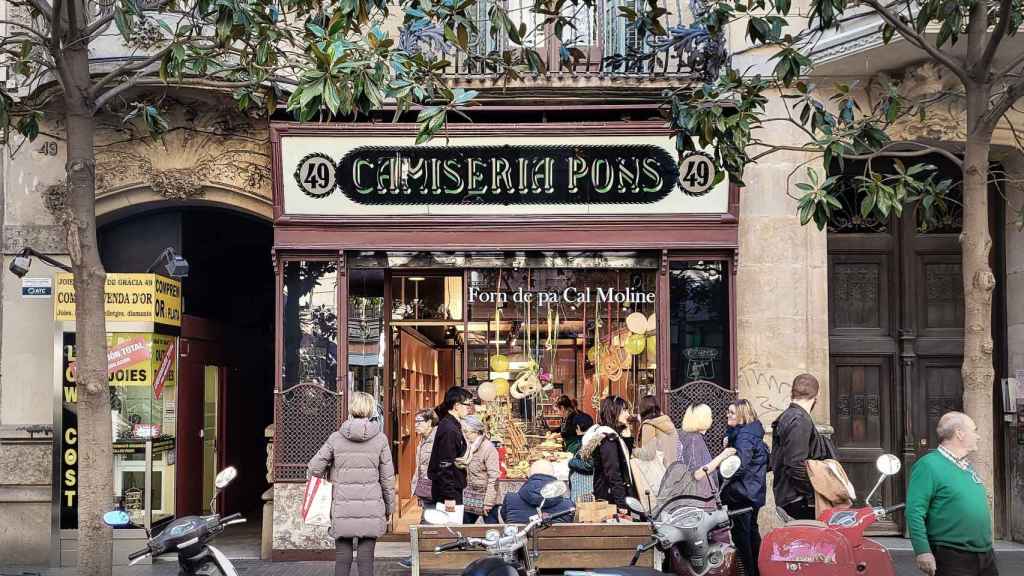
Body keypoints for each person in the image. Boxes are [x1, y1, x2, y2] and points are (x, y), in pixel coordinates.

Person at [308, 391, 395, 576]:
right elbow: (388, 479)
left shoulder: (336, 438)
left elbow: (314, 468)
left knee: (342, 556)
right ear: (371, 410)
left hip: (342, 505)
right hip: (371, 506)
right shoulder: (380, 439)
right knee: (366, 558)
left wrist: (331, 471)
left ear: (351, 409)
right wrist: (389, 508)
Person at [907, 412, 997, 576]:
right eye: (974, 430)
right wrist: (922, 550)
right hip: (952, 555)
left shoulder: (966, 466)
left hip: (984, 554)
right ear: (959, 433)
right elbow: (914, 511)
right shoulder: (928, 465)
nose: (978, 436)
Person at [721, 399, 769, 576]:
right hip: (752, 492)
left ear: (742, 415)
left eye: (732, 412)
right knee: (751, 534)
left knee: (742, 538)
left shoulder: (744, 437)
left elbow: (738, 465)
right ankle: (758, 570)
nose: (728, 415)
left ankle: (750, 572)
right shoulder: (750, 434)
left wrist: (721, 475)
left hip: (741, 494)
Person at [770, 373, 820, 521]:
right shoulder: (799, 419)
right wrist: (813, 493)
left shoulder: (789, 416)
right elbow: (795, 465)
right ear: (817, 395)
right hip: (798, 499)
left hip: (791, 496)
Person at [580, 395, 635, 511]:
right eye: (624, 410)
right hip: (610, 499)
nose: (628, 414)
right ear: (614, 411)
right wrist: (621, 504)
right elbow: (613, 473)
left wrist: (628, 436)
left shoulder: (612, 436)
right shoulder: (608, 439)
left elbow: (624, 460)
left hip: (609, 496)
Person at [678, 403, 736, 502]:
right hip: (699, 498)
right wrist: (722, 456)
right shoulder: (693, 439)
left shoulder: (685, 435)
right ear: (702, 419)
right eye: (709, 416)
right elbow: (697, 474)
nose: (711, 419)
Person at [428, 387, 474, 510]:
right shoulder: (449, 429)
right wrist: (449, 496)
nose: (469, 408)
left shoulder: (452, 424)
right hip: (448, 492)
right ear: (456, 405)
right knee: (449, 526)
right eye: (467, 404)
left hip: (452, 487)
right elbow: (445, 464)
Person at [502, 460, 575, 524]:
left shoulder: (510, 499)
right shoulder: (568, 505)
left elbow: (504, 518)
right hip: (557, 539)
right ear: (553, 476)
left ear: (529, 475)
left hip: (521, 539)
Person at [460, 415, 501, 524]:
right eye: (463, 431)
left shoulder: (488, 448)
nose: (464, 435)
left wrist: (488, 502)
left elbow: (494, 477)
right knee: (465, 530)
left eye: (466, 432)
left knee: (492, 532)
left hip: (486, 498)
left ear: (476, 431)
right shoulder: (468, 447)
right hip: (471, 496)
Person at [635, 395, 680, 468]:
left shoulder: (649, 425)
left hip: (659, 472)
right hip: (672, 471)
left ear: (642, 409)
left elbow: (648, 454)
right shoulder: (668, 423)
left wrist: (633, 451)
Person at [410, 409, 438, 518]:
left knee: (429, 525)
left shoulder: (438, 439)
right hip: (426, 489)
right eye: (415, 422)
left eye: (419, 422)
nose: (416, 425)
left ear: (429, 422)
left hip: (436, 490)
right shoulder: (423, 439)